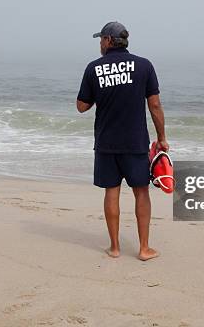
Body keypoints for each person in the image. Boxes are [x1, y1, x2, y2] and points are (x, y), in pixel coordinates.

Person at [76, 21, 169, 261]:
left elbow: (81, 107)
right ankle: (144, 248)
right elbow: (155, 105)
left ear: (108, 40)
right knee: (141, 193)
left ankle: (115, 248)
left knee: (112, 192)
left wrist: (102, 91)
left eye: (100, 40)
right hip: (135, 142)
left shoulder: (93, 68)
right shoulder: (144, 65)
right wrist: (162, 139)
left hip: (107, 142)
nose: (99, 44)